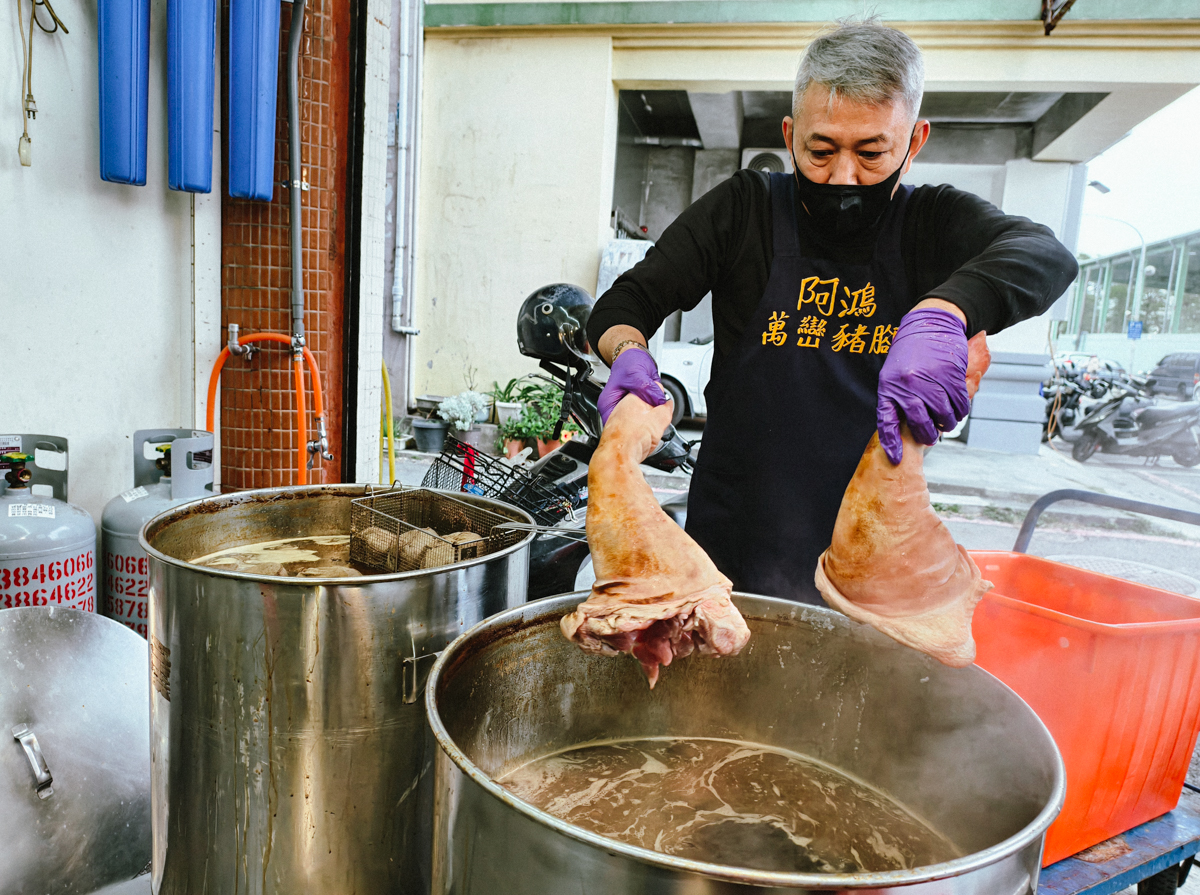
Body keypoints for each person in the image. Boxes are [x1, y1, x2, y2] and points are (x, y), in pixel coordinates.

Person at [586, 18, 1078, 604]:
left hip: (870, 549)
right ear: (791, 134)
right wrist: (628, 350)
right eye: (820, 151)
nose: (843, 176)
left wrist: (946, 311)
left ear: (915, 142)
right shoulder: (745, 210)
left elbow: (1046, 254)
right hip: (731, 545)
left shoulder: (933, 222)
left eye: (872, 153)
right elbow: (627, 301)